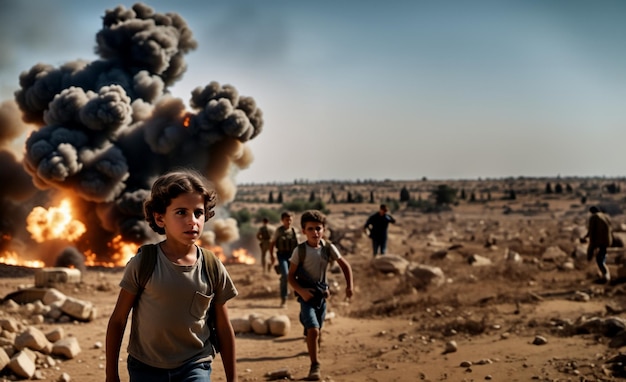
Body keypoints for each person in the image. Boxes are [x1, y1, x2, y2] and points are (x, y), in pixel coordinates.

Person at [105, 170, 239, 382]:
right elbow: (118, 320)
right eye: (181, 213)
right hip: (146, 367)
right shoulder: (144, 263)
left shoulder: (212, 266)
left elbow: (223, 326)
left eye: (198, 213)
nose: (192, 221)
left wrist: (233, 378)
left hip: (195, 364)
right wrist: (111, 374)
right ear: (160, 218)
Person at [288, 210, 353, 381]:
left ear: (324, 229)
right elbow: (291, 276)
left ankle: (311, 332)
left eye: (318, 228)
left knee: (317, 328)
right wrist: (302, 291)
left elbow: (345, 266)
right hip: (306, 297)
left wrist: (349, 287)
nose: (315, 232)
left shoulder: (328, 248)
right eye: (310, 229)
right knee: (313, 330)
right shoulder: (299, 251)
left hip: (321, 296)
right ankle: (314, 366)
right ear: (303, 231)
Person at [269, 211, 299, 307]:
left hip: (293, 256)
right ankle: (284, 298)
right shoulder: (279, 231)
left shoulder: (294, 231)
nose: (288, 222)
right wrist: (272, 256)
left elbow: (298, 246)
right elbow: (272, 243)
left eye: (290, 219)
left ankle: (299, 295)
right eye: (286, 220)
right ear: (282, 220)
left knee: (297, 275)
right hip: (282, 255)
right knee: (285, 275)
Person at [582, 206, 613, 283]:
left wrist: (587, 238)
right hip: (607, 240)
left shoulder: (594, 217)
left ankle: (606, 276)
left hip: (598, 241)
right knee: (602, 256)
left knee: (599, 259)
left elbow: (592, 230)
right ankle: (605, 275)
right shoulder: (606, 216)